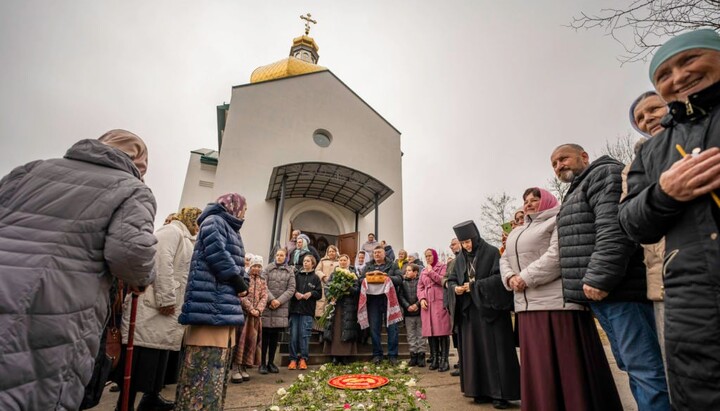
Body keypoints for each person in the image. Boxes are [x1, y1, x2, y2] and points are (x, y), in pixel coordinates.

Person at [0, 130, 157, 411]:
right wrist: (142, 279)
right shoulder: (133, 189)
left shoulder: (33, 169)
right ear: (139, 164)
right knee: (34, 386)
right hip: (56, 301)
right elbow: (130, 253)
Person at [619, 29, 720, 410]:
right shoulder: (651, 153)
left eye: (689, 60)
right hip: (689, 297)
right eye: (664, 74)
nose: (678, 77)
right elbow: (631, 221)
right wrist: (665, 194)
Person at [551, 143, 670, 411]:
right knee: (633, 367)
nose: (559, 166)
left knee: (646, 369)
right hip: (604, 294)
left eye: (563, 158)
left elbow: (614, 229)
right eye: (554, 164)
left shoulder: (605, 175)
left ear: (584, 156)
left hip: (618, 290)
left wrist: (600, 278)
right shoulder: (578, 188)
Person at [500, 188, 622, 411]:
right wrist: (509, 278)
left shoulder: (558, 220)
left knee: (568, 368)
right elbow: (505, 258)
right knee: (539, 370)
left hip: (556, 304)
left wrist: (524, 277)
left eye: (534, 200)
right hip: (526, 307)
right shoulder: (518, 230)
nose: (528, 204)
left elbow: (557, 255)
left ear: (546, 201)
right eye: (525, 201)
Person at [115, 207, 202, 411]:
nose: (199, 227)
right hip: (155, 306)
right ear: (190, 219)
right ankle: (123, 405)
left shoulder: (185, 236)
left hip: (166, 311)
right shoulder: (171, 232)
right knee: (141, 358)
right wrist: (166, 299)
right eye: (198, 222)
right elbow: (162, 264)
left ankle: (150, 398)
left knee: (156, 359)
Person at [175, 193, 249, 410]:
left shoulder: (229, 227)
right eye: (244, 209)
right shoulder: (215, 221)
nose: (245, 214)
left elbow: (235, 259)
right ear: (233, 206)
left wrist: (242, 280)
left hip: (222, 307)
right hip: (210, 306)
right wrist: (238, 281)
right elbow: (217, 253)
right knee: (202, 374)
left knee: (214, 373)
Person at [447, 220, 519, 409]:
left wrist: (473, 286)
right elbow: (452, 279)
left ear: (476, 237)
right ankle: (477, 391)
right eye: (463, 243)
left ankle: (500, 394)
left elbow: (499, 279)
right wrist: (455, 289)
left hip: (490, 311)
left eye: (469, 241)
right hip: (469, 314)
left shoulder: (491, 252)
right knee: (474, 353)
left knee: (495, 353)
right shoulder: (461, 258)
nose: (466, 246)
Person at [625, 90, 669, 367]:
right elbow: (630, 220)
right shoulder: (634, 166)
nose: (647, 118)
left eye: (655, 109)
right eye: (639, 117)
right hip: (663, 278)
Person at [358, 246, 404, 364]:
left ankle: (392, 355)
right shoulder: (368, 266)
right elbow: (360, 280)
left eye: (379, 252)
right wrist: (369, 278)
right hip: (373, 301)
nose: (377, 254)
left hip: (389, 300)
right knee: (374, 328)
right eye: (375, 253)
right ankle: (377, 354)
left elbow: (400, 278)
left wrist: (386, 277)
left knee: (392, 329)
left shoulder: (392, 265)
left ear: (384, 254)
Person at [232, 255, 268, 383]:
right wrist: (250, 309)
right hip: (245, 315)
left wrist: (258, 310)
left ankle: (244, 367)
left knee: (251, 342)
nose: (257, 269)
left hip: (256, 317)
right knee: (240, 341)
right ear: (250, 267)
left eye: (259, 266)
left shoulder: (262, 281)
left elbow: (264, 296)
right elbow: (241, 295)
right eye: (255, 266)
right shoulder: (245, 278)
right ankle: (235, 368)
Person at [259, 248, 296, 374]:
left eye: (282, 255)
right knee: (265, 337)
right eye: (278, 255)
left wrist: (279, 301)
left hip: (280, 307)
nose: (279, 257)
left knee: (275, 337)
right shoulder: (268, 269)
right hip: (268, 306)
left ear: (286, 257)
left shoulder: (289, 271)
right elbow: (263, 285)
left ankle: (271, 362)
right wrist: (272, 300)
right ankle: (262, 363)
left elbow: (291, 289)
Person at [418, 248, 452, 372]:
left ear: (435, 256)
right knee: (431, 334)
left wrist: (431, 271)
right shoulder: (423, 270)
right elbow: (420, 286)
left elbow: (441, 280)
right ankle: (435, 358)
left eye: (430, 256)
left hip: (439, 302)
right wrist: (421, 299)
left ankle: (445, 360)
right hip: (427, 305)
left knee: (442, 332)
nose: (428, 258)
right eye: (426, 256)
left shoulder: (442, 267)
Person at [322, 254, 360, 364]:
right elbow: (327, 286)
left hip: (348, 305)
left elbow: (357, 290)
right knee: (335, 329)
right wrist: (331, 295)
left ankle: (345, 355)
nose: (343, 262)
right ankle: (335, 355)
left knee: (346, 328)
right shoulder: (334, 274)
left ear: (348, 261)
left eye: (345, 260)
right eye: (341, 260)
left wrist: (349, 288)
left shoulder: (353, 275)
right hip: (336, 305)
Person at [288, 254, 322, 370]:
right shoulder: (296, 275)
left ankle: (303, 359)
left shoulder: (316, 278)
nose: (305, 263)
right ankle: (292, 359)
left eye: (308, 261)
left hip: (307, 311)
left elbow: (319, 294)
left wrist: (311, 294)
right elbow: (291, 288)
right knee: (293, 336)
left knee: (305, 336)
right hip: (295, 310)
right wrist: (295, 293)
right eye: (304, 261)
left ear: (313, 264)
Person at [398, 264, 425, 367]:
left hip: (420, 312)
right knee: (411, 335)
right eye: (406, 270)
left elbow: (423, 293)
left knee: (421, 334)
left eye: (409, 270)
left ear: (415, 272)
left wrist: (417, 304)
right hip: (408, 313)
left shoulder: (420, 282)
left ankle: (421, 355)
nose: (407, 272)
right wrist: (407, 306)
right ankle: (413, 355)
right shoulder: (403, 283)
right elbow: (400, 296)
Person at [443, 238, 462, 376]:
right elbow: (445, 277)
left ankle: (464, 363)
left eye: (453, 244)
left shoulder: (464, 259)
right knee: (456, 334)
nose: (451, 247)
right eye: (450, 245)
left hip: (462, 301)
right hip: (452, 300)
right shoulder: (451, 262)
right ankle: (461, 360)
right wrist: (446, 283)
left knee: (462, 334)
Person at [315, 245, 340, 320]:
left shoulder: (339, 261)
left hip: (334, 286)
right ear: (327, 253)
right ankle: (319, 326)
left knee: (332, 303)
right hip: (323, 284)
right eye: (330, 251)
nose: (331, 253)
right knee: (322, 302)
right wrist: (323, 276)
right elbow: (317, 270)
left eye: (333, 251)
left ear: (336, 252)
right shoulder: (323, 261)